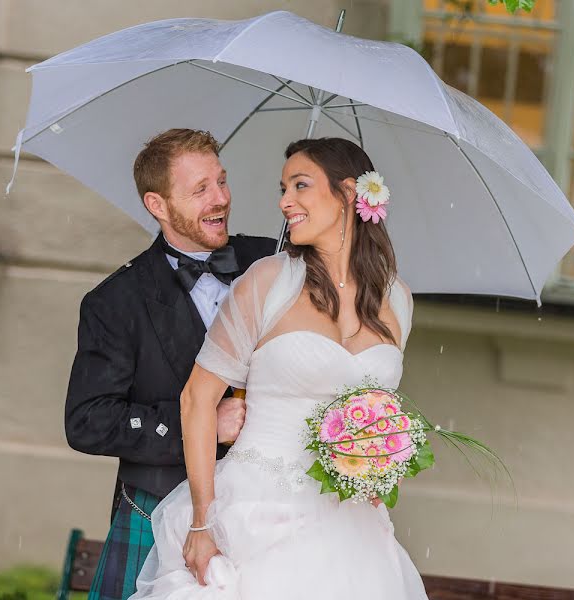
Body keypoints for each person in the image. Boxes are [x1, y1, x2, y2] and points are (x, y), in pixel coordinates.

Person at [130, 137, 427, 599]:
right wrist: (203, 520)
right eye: (283, 188)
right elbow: (197, 399)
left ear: (349, 194)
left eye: (300, 185)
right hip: (255, 511)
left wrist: (380, 464)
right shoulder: (267, 280)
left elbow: (380, 410)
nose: (285, 201)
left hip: (352, 528)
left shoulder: (399, 300)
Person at [64, 128, 275, 600]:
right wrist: (199, 427)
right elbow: (87, 421)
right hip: (161, 510)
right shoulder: (116, 302)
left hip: (270, 508)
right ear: (157, 205)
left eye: (221, 181)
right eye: (200, 190)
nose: (220, 199)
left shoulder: (273, 262)